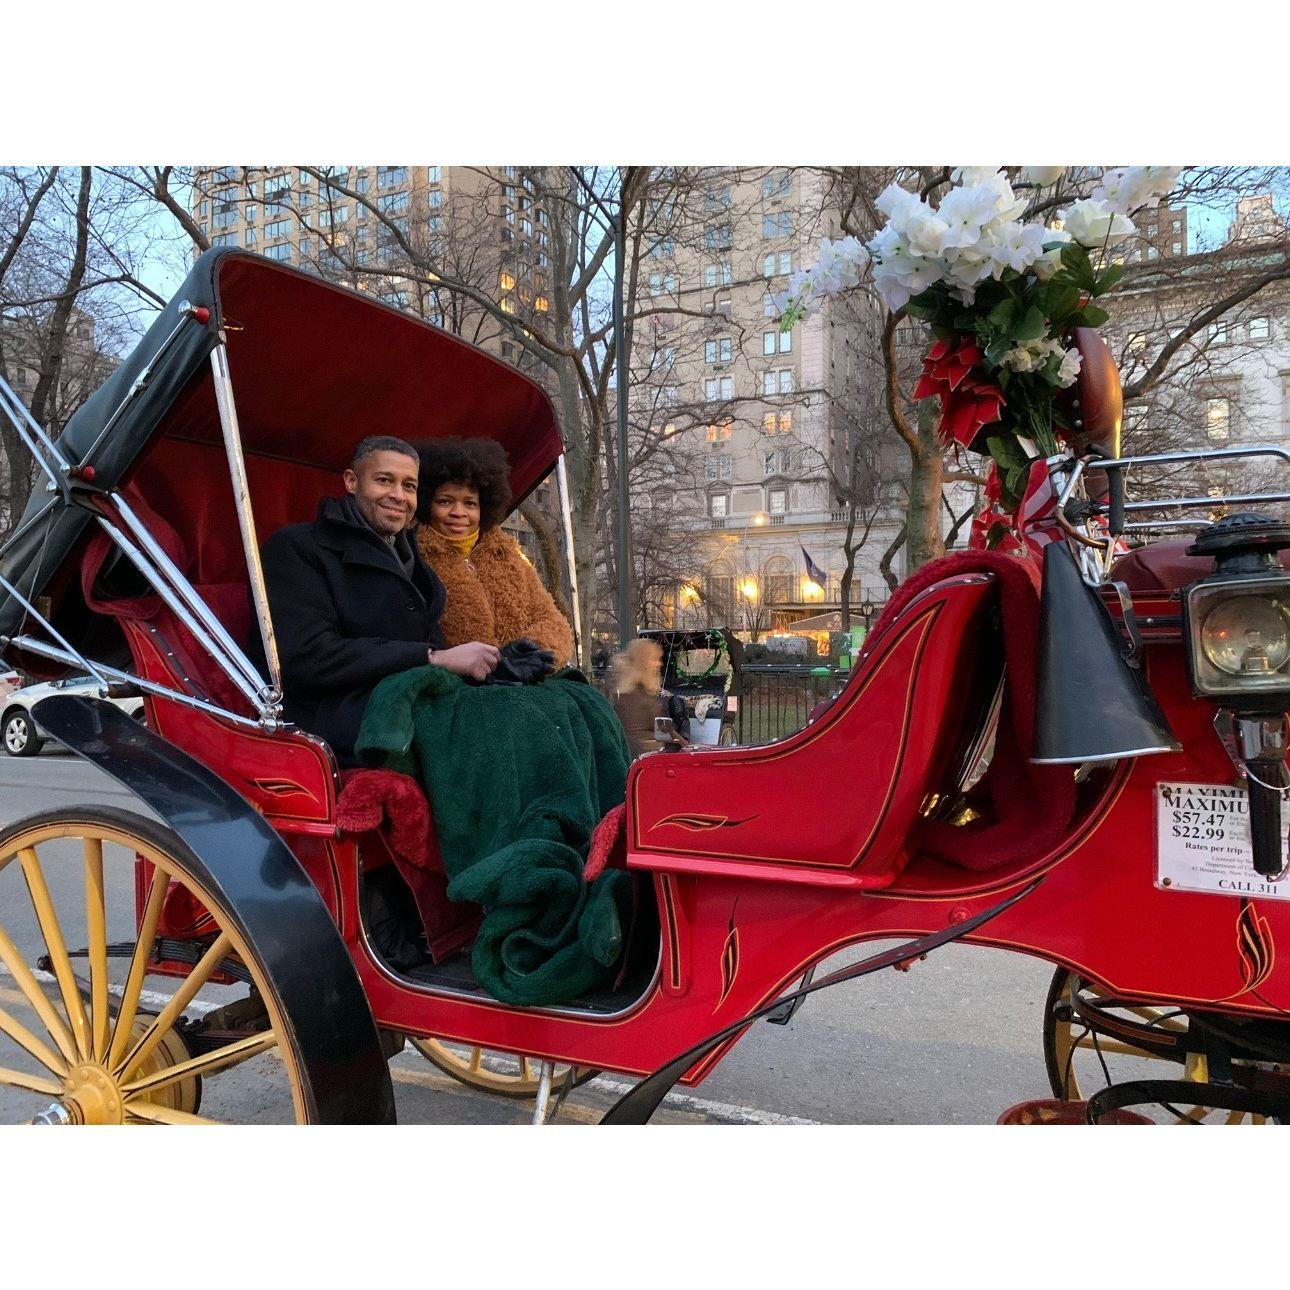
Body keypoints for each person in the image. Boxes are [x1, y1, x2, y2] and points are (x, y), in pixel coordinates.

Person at [256, 435, 499, 764]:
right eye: (385, 481)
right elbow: (309, 655)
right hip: (336, 715)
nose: (399, 496)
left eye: (409, 486)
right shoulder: (297, 548)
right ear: (351, 481)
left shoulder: (409, 554)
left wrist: (500, 665)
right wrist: (431, 658)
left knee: (556, 702)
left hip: (408, 699)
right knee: (496, 729)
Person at [411, 437, 574, 667]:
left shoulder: (509, 556)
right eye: (446, 501)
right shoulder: (413, 559)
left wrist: (528, 656)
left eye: (470, 503)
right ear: (427, 504)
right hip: (452, 688)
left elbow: (552, 620)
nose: (459, 512)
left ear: (484, 507)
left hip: (522, 684)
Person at [610, 637, 663, 758]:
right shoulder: (634, 697)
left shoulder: (632, 693)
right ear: (643, 662)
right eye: (655, 659)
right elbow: (636, 739)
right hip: (644, 764)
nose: (659, 664)